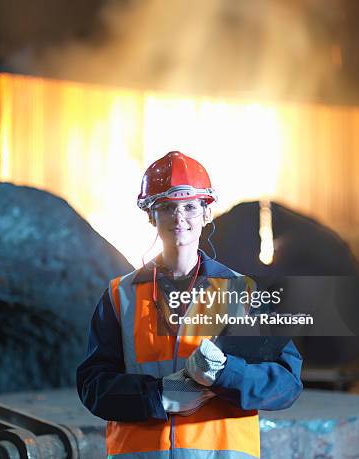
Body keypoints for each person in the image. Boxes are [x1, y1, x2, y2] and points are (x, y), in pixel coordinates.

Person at [76, 151, 303, 459]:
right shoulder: (120, 296)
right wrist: (161, 395)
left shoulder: (243, 294)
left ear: (206, 212)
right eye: (167, 207)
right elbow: (93, 387)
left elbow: (286, 383)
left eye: (189, 206)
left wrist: (224, 374)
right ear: (150, 215)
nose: (179, 217)